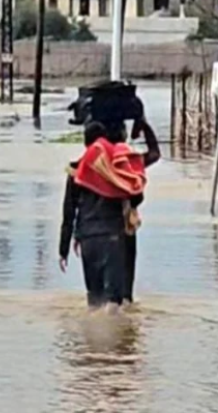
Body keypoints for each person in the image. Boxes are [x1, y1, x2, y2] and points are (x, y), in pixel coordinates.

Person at [59, 122, 147, 312]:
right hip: (112, 238)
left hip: (87, 240)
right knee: (113, 303)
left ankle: (91, 340)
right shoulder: (115, 169)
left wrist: (63, 249)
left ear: (85, 143)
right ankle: (114, 338)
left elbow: (68, 213)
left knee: (94, 301)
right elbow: (137, 195)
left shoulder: (76, 171)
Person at [104, 117, 161, 306]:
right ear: (124, 135)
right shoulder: (130, 162)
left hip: (101, 224)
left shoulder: (97, 162)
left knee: (105, 287)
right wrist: (144, 125)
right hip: (126, 223)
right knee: (126, 284)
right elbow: (154, 153)